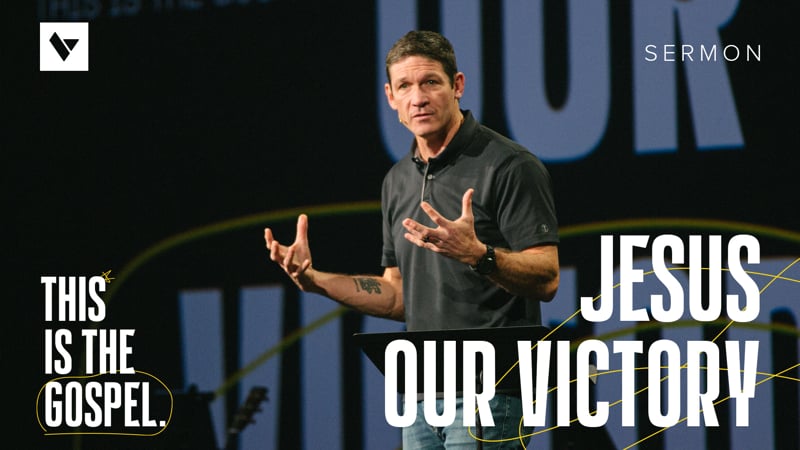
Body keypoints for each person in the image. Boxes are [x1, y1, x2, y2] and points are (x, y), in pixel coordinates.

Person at [264, 30, 559, 449]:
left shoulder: (508, 165)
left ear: (457, 86)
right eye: (404, 86)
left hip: (490, 391)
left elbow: (547, 278)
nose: (417, 98)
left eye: (430, 82)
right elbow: (397, 295)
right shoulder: (397, 180)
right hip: (421, 399)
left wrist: (478, 255)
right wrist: (314, 280)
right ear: (390, 97)